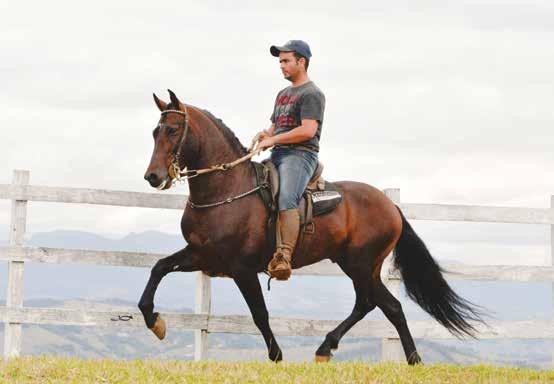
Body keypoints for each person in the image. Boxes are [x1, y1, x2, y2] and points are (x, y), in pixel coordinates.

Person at [255, 40, 326, 280]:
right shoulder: (283, 94)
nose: (281, 66)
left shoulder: (312, 94)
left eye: (286, 61)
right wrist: (265, 135)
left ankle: (284, 256)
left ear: (301, 62)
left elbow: (307, 130)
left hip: (301, 155)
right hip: (278, 154)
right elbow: (276, 126)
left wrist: (274, 141)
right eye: (280, 62)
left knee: (287, 196)